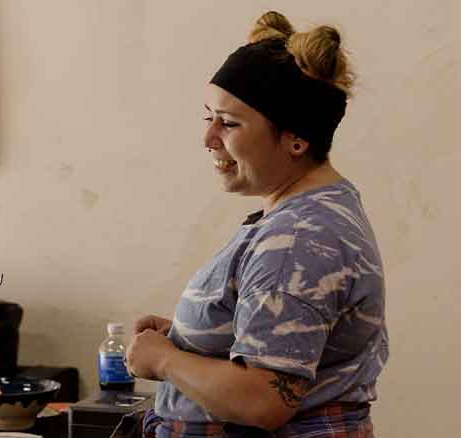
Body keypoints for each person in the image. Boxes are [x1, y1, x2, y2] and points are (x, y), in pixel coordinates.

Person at [123, 11, 386, 437]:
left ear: (296, 139)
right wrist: (193, 336)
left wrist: (165, 361)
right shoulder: (313, 214)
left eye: (228, 122)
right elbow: (285, 343)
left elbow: (265, 400)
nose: (208, 138)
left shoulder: (298, 240)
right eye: (207, 117)